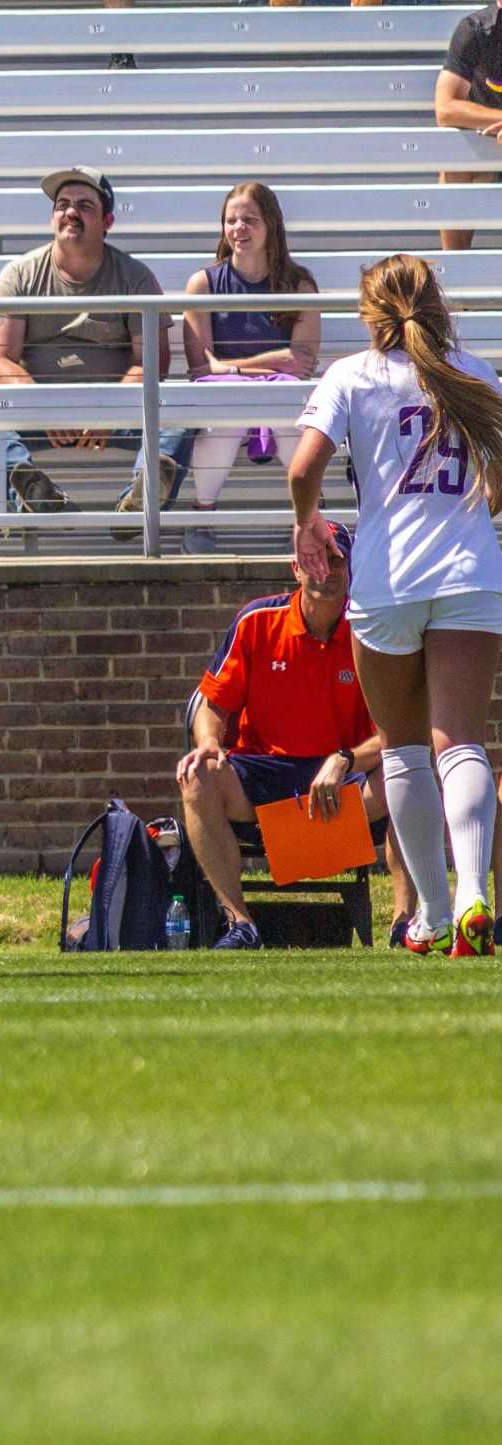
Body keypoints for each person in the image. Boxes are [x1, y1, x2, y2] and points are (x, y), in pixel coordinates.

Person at [288, 252, 502, 957]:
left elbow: (302, 469)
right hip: (471, 572)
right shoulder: (475, 373)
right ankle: (475, 895)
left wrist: (308, 522)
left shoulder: (351, 375)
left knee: (407, 750)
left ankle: (432, 915)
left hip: (386, 581)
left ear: (370, 312)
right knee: (461, 742)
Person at [177, 520, 415, 949]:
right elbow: (212, 704)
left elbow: (398, 728)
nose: (328, 568)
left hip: (345, 781)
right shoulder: (256, 621)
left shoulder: (374, 626)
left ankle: (405, 924)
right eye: (316, 558)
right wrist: (209, 743)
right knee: (197, 777)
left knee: (409, 771)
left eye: (338, 559)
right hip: (262, 774)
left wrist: (344, 758)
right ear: (296, 568)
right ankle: (240, 924)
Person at [0, 167, 186, 527]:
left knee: (182, 413)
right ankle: (32, 491)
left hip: (117, 416)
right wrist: (45, 409)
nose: (70, 212)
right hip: (37, 415)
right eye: (63, 204)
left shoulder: (135, 278)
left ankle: (141, 505)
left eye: (85, 205)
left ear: (107, 221)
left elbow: (152, 364)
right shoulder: (20, 274)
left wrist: (110, 413)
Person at [177, 182, 321, 554]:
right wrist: (266, 364)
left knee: (293, 410)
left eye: (249, 220)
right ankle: (202, 515)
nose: (239, 228)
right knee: (229, 413)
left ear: (271, 225)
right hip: (223, 396)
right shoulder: (203, 284)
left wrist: (234, 367)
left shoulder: (299, 285)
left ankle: (307, 521)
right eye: (231, 220)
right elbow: (200, 368)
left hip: (276, 393)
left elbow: (300, 362)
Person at [435, 6, 502, 251]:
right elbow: (446, 108)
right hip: (489, 146)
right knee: (455, 164)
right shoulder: (477, 30)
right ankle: (456, 267)